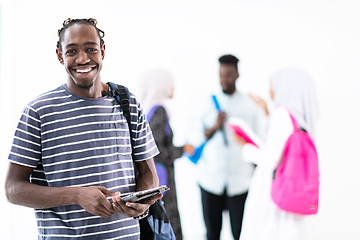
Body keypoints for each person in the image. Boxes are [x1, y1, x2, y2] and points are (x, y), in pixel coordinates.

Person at [4, 18, 161, 240]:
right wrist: (76, 195)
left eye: (90, 49)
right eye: (71, 51)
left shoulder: (127, 103)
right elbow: (13, 189)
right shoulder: (39, 112)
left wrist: (141, 204)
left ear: (102, 51)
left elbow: (149, 174)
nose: (83, 59)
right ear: (60, 55)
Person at [234, 68, 320, 240]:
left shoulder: (282, 113)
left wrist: (245, 148)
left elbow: (270, 159)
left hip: (271, 191)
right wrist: (267, 113)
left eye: (272, 85)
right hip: (290, 190)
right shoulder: (300, 118)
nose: (270, 90)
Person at [190, 54, 265, 240]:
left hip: (240, 181)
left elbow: (259, 144)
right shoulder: (206, 103)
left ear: (237, 75)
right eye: (221, 75)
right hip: (210, 179)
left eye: (229, 75)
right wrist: (215, 126)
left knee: (240, 233)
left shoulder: (250, 106)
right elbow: (195, 139)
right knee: (212, 234)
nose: (224, 80)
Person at [138, 69, 194, 240]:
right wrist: (183, 149)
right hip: (162, 182)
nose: (174, 88)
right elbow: (158, 151)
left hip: (152, 180)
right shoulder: (160, 111)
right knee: (168, 228)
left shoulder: (147, 110)